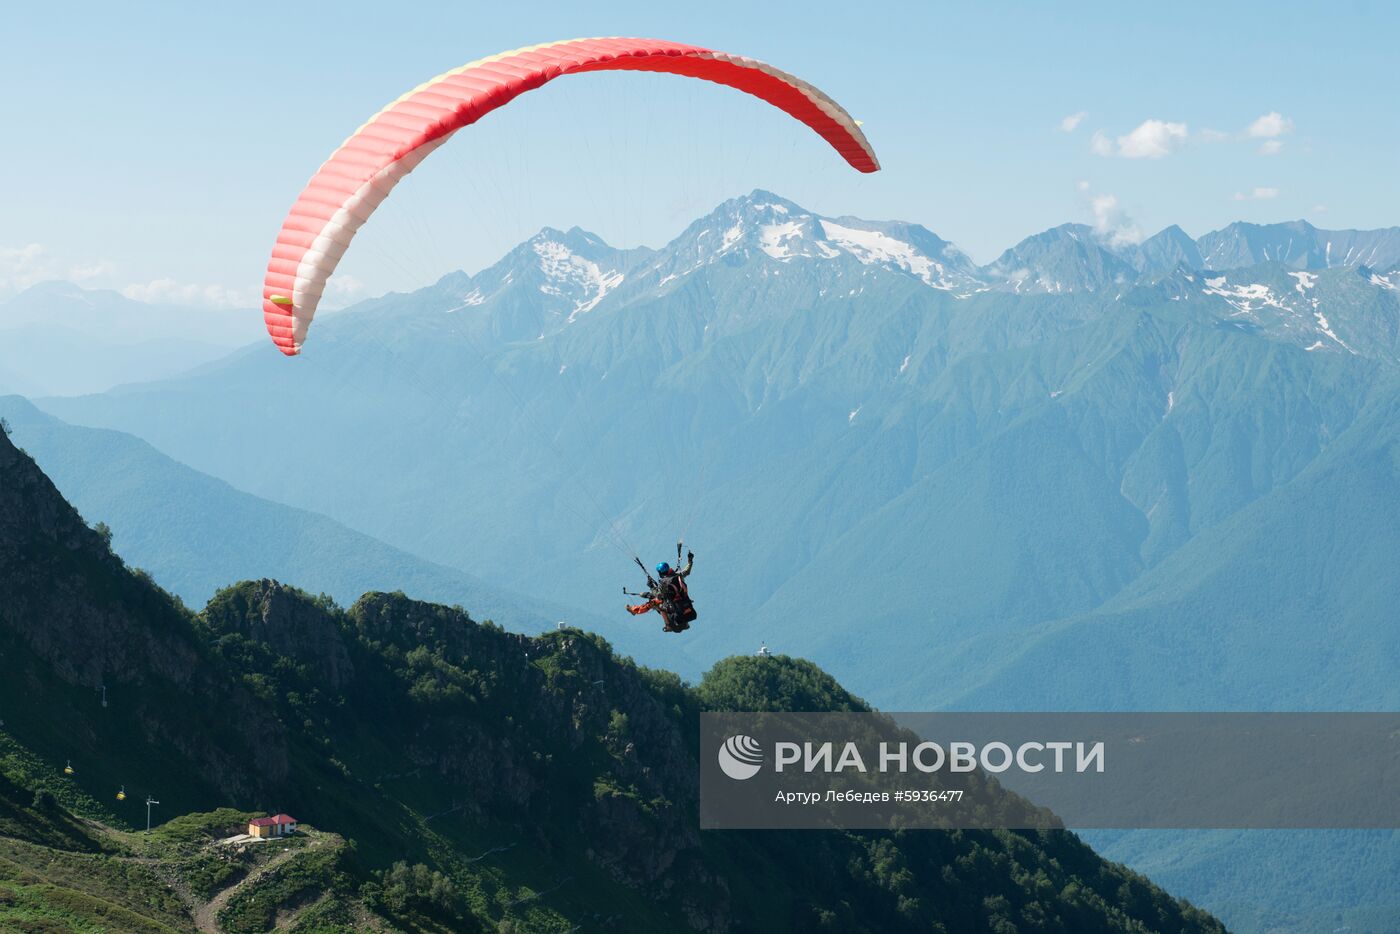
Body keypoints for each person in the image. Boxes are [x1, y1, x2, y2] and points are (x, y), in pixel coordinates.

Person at [627, 550, 696, 632]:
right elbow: (687, 571)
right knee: (659, 601)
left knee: (654, 602)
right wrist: (690, 561)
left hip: (672, 606)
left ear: (660, 573)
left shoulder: (664, 583)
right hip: (684, 601)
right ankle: (683, 623)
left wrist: (651, 587)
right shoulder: (678, 576)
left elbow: (658, 595)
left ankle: (636, 611)